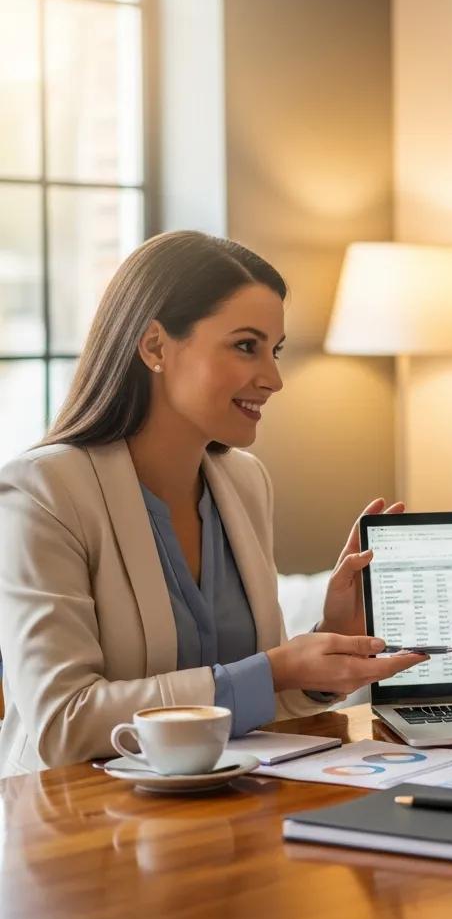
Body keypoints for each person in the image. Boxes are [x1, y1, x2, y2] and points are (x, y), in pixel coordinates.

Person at [0, 231, 428, 777]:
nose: (273, 379)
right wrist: (272, 669)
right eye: (246, 346)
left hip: (220, 810)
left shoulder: (243, 482)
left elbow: (250, 700)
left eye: (274, 351)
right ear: (155, 346)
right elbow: (62, 723)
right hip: (70, 823)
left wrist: (327, 648)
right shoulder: (43, 491)